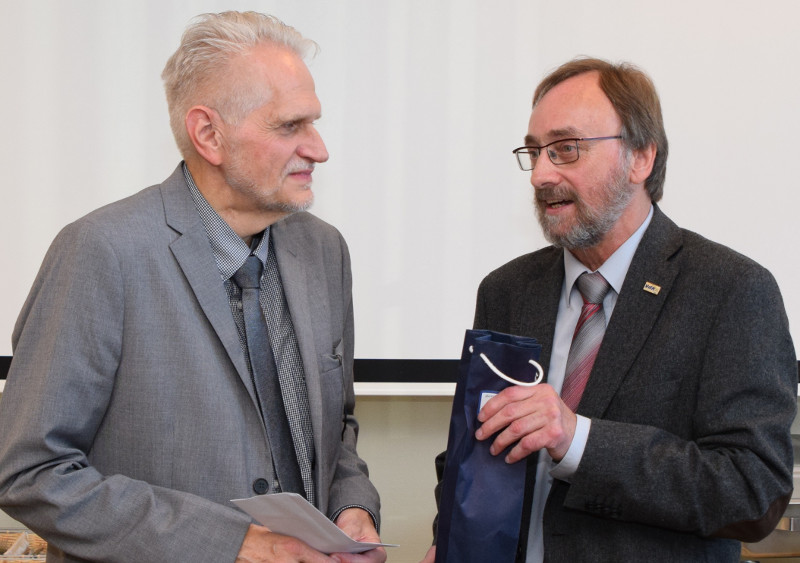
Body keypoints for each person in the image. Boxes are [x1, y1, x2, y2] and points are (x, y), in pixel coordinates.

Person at [0, 11, 385, 563]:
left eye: (314, 122)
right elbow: (31, 473)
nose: (319, 148)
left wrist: (354, 508)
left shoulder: (324, 251)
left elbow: (337, 427)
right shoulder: (101, 251)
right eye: (289, 126)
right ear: (209, 133)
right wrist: (234, 545)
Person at [423, 57, 797, 562]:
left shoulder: (730, 290)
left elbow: (751, 492)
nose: (539, 174)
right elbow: (475, 446)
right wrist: (449, 541)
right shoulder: (507, 289)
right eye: (533, 152)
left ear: (641, 157)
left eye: (565, 149)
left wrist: (578, 440)